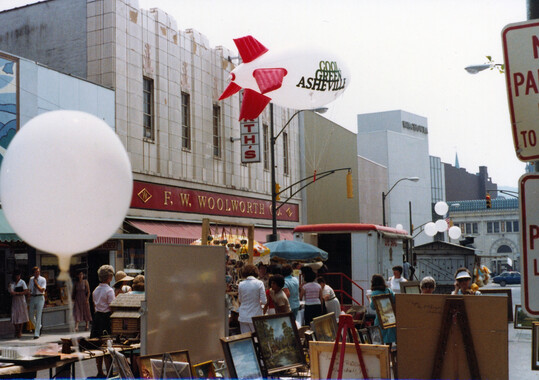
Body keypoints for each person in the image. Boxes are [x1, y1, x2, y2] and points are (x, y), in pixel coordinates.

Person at [91, 265, 115, 377]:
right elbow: (112, 306)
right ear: (109, 277)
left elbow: (94, 304)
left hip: (97, 318)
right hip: (105, 318)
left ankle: (99, 370)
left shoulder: (96, 290)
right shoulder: (109, 291)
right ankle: (109, 370)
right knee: (107, 345)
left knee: (98, 345)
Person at [237, 264, 266, 333]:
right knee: (257, 338)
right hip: (255, 315)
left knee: (246, 339)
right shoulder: (259, 283)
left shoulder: (241, 284)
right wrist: (258, 301)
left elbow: (240, 300)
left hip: (243, 315)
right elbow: (264, 301)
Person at [369, 274, 396, 345]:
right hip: (390, 317)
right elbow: (394, 300)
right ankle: (389, 353)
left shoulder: (374, 293)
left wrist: (369, 299)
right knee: (389, 338)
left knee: (380, 339)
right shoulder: (389, 291)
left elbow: (373, 307)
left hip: (380, 318)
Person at [8, 270, 29, 338]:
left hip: (21, 300)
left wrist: (17, 293)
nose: (18, 277)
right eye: (16, 276)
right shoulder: (12, 283)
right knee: (14, 314)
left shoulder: (22, 282)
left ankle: (20, 331)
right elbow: (10, 291)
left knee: (21, 315)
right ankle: (16, 329)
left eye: (19, 276)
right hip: (15, 300)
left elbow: (26, 291)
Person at [28, 266, 46, 339]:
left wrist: (36, 283)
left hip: (40, 297)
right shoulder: (31, 279)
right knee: (31, 315)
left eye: (38, 272)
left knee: (38, 315)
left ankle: (36, 334)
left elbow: (42, 290)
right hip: (33, 297)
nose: (37, 273)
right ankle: (39, 326)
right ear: (33, 273)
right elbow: (29, 289)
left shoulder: (43, 279)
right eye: (36, 272)